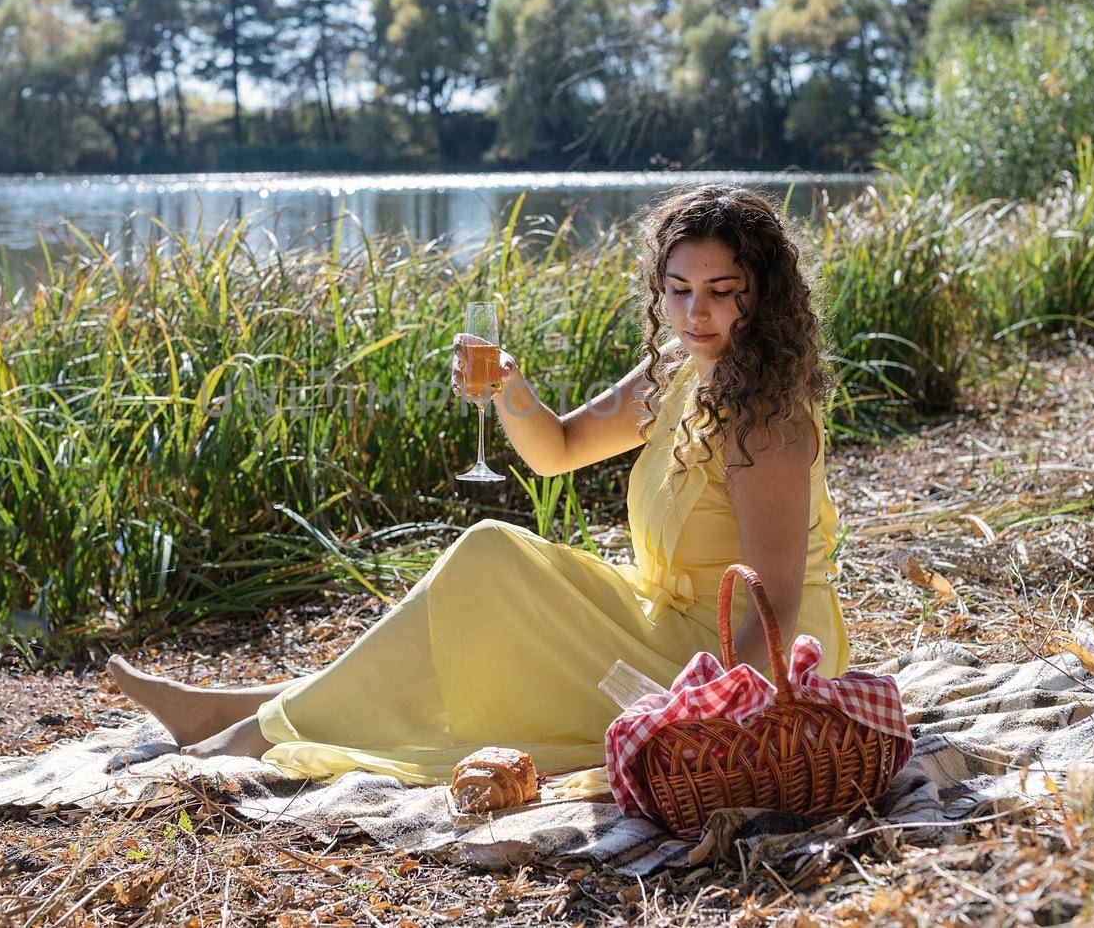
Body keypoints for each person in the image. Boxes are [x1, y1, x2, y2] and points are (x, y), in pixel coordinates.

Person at [107, 184, 849, 784]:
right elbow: (557, 449)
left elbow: (774, 605)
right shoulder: (680, 371)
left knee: (490, 572)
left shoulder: (768, 422)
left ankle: (247, 728)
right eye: (680, 289)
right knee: (491, 559)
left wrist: (708, 712)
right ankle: (247, 712)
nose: (697, 312)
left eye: (722, 290)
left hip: (731, 659)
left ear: (763, 297)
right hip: (660, 619)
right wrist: (508, 386)